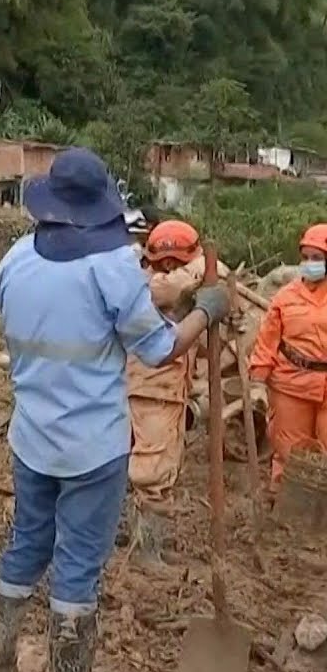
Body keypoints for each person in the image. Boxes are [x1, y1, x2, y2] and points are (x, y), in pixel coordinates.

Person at [0, 148, 229, 672]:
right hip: (93, 451)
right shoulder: (113, 268)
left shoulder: (16, 259)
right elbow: (161, 347)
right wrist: (206, 311)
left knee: (26, 544)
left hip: (31, 438)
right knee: (76, 568)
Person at [125, 220, 206, 565]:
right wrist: (203, 271)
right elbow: (171, 290)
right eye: (165, 263)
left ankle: (139, 538)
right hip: (150, 387)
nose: (171, 268)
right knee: (151, 471)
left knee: (157, 464)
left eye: (177, 262)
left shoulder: (182, 283)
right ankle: (146, 551)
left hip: (169, 389)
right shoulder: (145, 284)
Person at [248, 223, 327, 501]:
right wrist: (258, 381)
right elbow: (267, 341)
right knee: (287, 450)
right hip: (291, 383)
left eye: (317, 258)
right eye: (306, 257)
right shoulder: (286, 296)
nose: (309, 264)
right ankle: (280, 506)